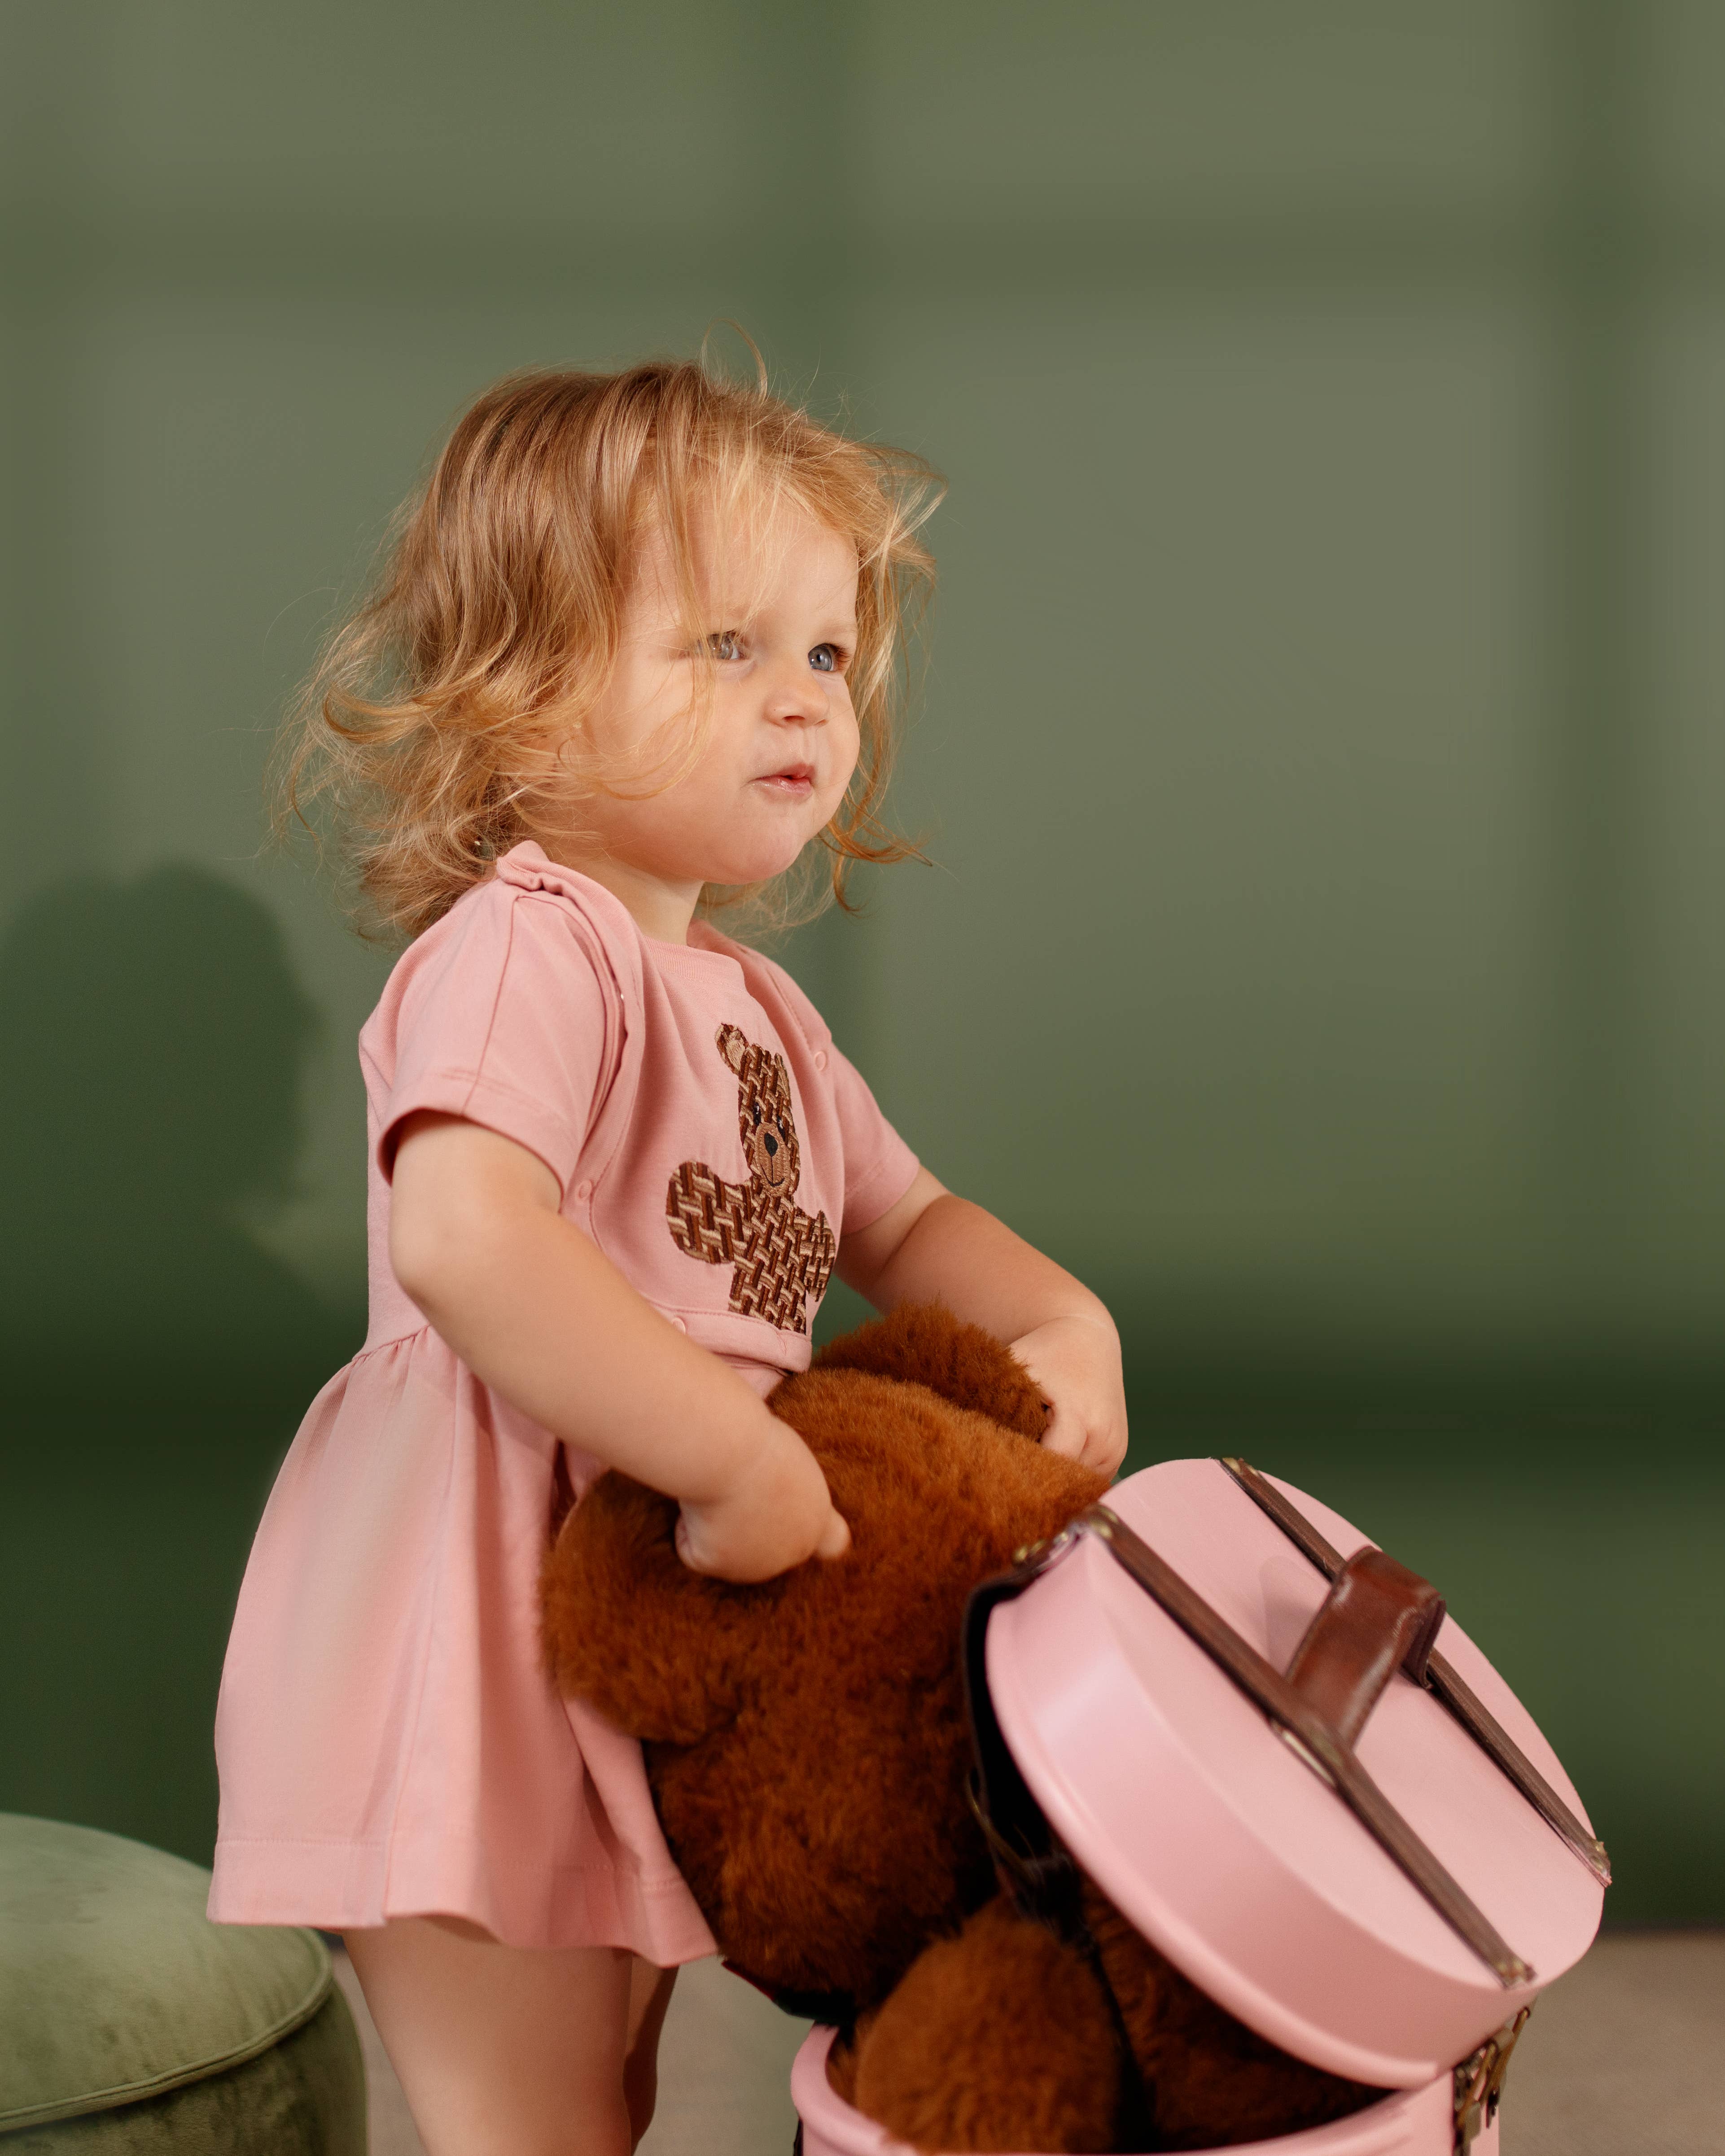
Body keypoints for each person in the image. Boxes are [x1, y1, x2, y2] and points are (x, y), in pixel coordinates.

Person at [209, 358, 1128, 2156]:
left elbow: (903, 1222)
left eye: (826, 652)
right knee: (533, 2114)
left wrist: (1057, 1320)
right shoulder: (528, 947)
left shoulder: (758, 1011)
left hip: (656, 1614)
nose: (801, 697)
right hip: (477, 1619)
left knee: (603, 2097)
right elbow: (467, 1234)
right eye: (724, 645)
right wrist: (726, 1452)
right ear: (524, 692)